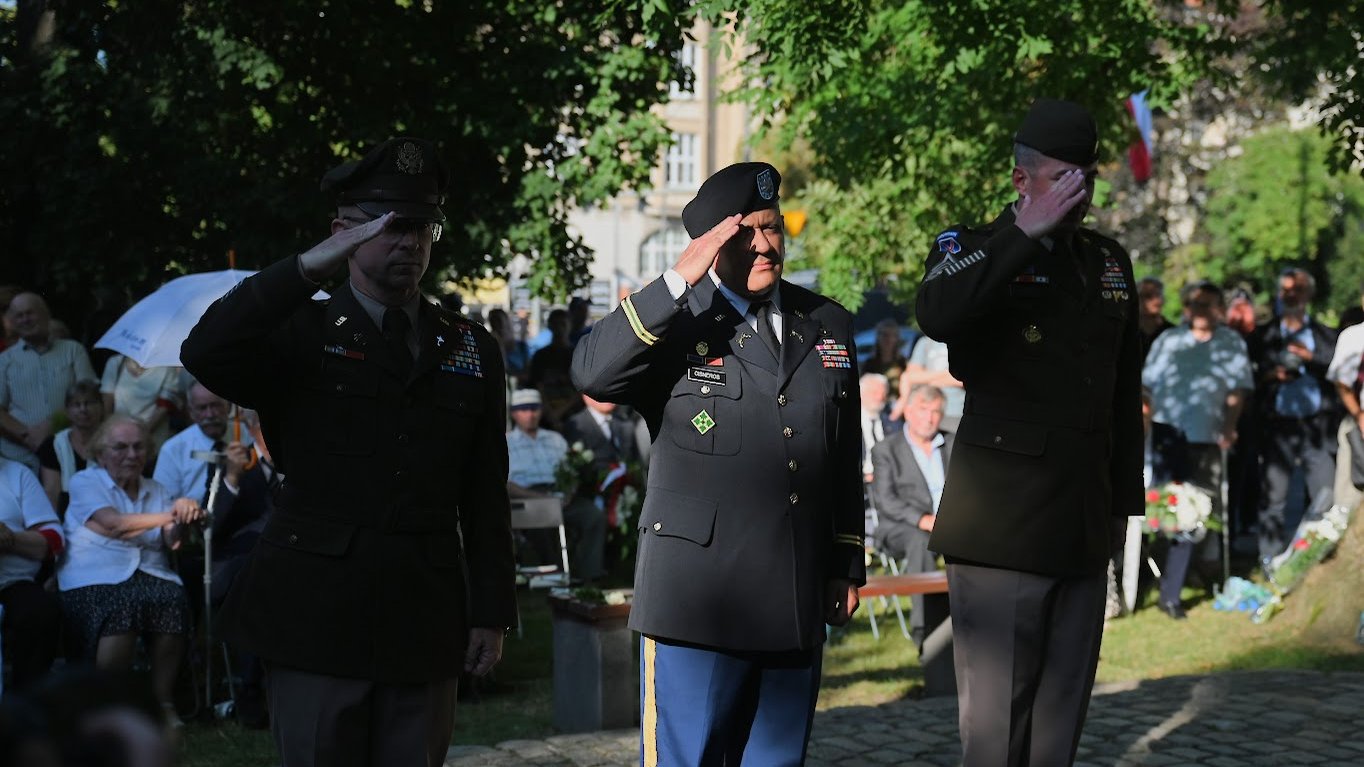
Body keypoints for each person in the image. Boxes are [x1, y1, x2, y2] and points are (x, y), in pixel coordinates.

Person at [181, 136, 516, 766]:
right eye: (388, 227)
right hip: (316, 614)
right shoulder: (299, 334)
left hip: (424, 610)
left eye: (422, 227)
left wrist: (491, 610)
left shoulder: (468, 347)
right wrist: (308, 266)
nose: (409, 243)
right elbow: (204, 351)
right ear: (343, 233)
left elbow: (482, 490)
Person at [572, 161, 864, 765]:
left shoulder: (826, 323)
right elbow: (592, 374)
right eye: (745, 233)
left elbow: (841, 452)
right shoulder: (675, 322)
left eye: (773, 227)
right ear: (709, 243)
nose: (764, 245)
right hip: (697, 603)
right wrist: (677, 281)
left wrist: (845, 559)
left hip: (793, 593)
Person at [915, 98, 1144, 767]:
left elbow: (1121, 394)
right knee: (996, 734)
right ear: (1022, 181)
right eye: (1061, 176)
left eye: (1087, 176)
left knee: (1057, 729)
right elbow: (937, 311)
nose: (1079, 191)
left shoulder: (1106, 262)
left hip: (1080, 521)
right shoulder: (973, 247)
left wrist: (1121, 508)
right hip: (1002, 530)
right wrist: (1023, 236)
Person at [55, 414, 203, 723]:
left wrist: (183, 519)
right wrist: (170, 513)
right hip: (92, 576)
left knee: (172, 599)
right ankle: (109, 705)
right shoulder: (85, 481)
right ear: (100, 453)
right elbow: (116, 525)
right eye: (120, 447)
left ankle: (162, 704)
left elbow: (173, 543)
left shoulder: (157, 489)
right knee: (124, 604)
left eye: (139, 447)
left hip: (149, 573)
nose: (132, 455)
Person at [1142, 282, 1252, 618]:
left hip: (1207, 437)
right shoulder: (1169, 340)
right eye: (1196, 304)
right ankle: (1151, 578)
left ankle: (1172, 593)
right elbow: (1145, 385)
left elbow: (1237, 390)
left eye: (1209, 304)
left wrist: (1230, 426)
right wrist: (1145, 423)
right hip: (1167, 436)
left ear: (1219, 307)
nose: (1202, 311)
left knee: (1195, 515)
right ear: (1187, 308)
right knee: (1160, 514)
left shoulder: (1230, 342)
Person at [1252, 267, 1338, 563]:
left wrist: (1308, 358)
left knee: (1324, 496)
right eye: (1286, 290)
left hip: (1317, 427)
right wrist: (1271, 375)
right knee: (1273, 500)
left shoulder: (1326, 335)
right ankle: (1270, 561)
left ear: (1308, 294)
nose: (1291, 295)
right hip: (1278, 429)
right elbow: (1248, 379)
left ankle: (1320, 559)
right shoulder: (1264, 335)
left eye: (1297, 290)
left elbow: (1338, 372)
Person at [869, 384, 953, 647]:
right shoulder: (887, 450)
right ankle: (927, 630)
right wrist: (923, 520)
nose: (929, 418)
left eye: (936, 411)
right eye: (923, 410)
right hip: (900, 527)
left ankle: (982, 622)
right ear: (907, 411)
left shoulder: (951, 443)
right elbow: (886, 501)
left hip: (952, 525)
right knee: (920, 540)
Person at [0, 293, 97, 471]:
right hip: (19, 457)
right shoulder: (4, 360)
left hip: (68, 452)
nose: (25, 320)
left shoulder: (73, 350)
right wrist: (27, 435)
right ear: (13, 322)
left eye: (30, 313)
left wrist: (51, 425)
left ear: (46, 315)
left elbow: (89, 396)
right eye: (19, 316)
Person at [0, 455, 64, 693]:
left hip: (11, 582)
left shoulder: (17, 474)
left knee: (41, 613)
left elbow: (53, 539)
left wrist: (10, 539)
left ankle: (26, 708)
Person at [560, 393, 640, 582]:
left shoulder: (625, 424)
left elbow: (634, 461)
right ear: (586, 397)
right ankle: (593, 575)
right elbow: (574, 467)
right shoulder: (576, 425)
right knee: (595, 515)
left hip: (626, 491)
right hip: (590, 491)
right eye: (601, 394)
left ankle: (632, 572)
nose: (608, 397)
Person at [153, 381, 245, 503]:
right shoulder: (173, 449)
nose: (210, 414)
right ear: (191, 412)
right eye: (202, 408)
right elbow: (163, 503)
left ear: (228, 406)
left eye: (216, 405)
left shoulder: (246, 435)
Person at [36, 379, 105, 515]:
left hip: (105, 513)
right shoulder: (52, 445)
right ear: (67, 411)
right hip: (64, 515)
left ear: (101, 407)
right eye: (76, 404)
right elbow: (51, 492)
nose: (83, 409)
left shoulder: (114, 443)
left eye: (89, 403)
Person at [1326, 284, 1364, 516]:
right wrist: (1359, 416)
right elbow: (1342, 383)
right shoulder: (1354, 336)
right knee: (1349, 503)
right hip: (1358, 425)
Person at [99, 355, 185, 454]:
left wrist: (138, 435)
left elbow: (164, 406)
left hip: (153, 442)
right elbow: (107, 400)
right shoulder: (115, 363)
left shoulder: (167, 368)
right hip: (118, 440)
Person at [900, 334, 965, 431]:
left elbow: (966, 379)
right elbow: (911, 376)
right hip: (928, 411)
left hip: (956, 412)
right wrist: (947, 375)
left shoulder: (964, 341)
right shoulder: (925, 342)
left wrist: (928, 379)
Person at [858, 372, 894, 484]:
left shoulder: (893, 423)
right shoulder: (848, 424)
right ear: (861, 393)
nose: (880, 397)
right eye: (874, 393)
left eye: (883, 393)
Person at [862, 318, 907, 396]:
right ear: (878, 337)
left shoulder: (902, 363)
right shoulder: (870, 363)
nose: (888, 339)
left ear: (897, 339)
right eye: (885, 335)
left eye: (892, 335)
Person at [1137, 276, 1174, 361]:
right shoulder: (1124, 332)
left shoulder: (1172, 332)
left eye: (1158, 295)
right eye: (1147, 296)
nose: (1155, 300)